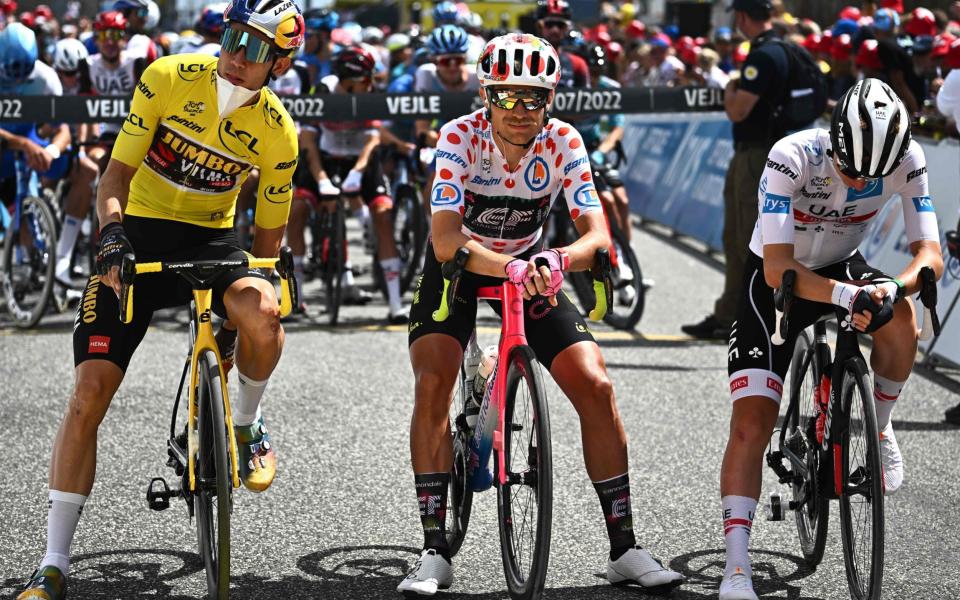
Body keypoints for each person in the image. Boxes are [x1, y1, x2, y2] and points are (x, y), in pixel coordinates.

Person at [14, 0, 304, 596]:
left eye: (252, 49)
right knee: (90, 390)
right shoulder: (169, 77)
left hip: (213, 241)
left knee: (264, 313)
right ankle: (54, 562)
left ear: (279, 62)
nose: (233, 55)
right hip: (138, 232)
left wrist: (272, 274)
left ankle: (245, 423)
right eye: (230, 37)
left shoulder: (278, 131)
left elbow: (268, 241)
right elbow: (114, 176)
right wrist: (112, 235)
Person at [398, 32, 684, 597]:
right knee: (433, 382)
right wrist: (505, 266)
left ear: (550, 99)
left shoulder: (563, 141)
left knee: (596, 385)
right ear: (486, 94)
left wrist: (558, 257)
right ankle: (433, 550)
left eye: (534, 98)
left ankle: (625, 547)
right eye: (507, 97)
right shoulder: (459, 137)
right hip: (460, 266)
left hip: (531, 269)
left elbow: (597, 235)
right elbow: (444, 239)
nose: (521, 111)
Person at [718, 79, 943, 600]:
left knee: (901, 315)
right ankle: (736, 568)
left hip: (844, 264)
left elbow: (928, 255)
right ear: (835, 137)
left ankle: (879, 427)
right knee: (752, 423)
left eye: (873, 176)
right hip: (779, 281)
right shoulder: (790, 155)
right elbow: (777, 268)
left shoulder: (908, 158)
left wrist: (893, 287)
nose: (860, 180)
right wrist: (845, 298)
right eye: (850, 168)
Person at [683, 0, 787, 340]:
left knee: (744, 238)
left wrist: (730, 88)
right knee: (742, 237)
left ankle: (746, 318)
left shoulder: (761, 56)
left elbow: (738, 110)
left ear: (743, 16)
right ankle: (733, 311)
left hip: (756, 156)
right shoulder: (784, 48)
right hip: (773, 154)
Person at [295, 45, 408, 323]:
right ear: (347, 81)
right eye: (365, 80)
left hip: (360, 157)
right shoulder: (324, 89)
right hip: (325, 156)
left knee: (383, 215)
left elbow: (373, 139)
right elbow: (307, 140)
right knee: (296, 211)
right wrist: (321, 179)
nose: (372, 84)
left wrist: (358, 173)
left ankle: (395, 303)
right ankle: (295, 296)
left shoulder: (371, 94)